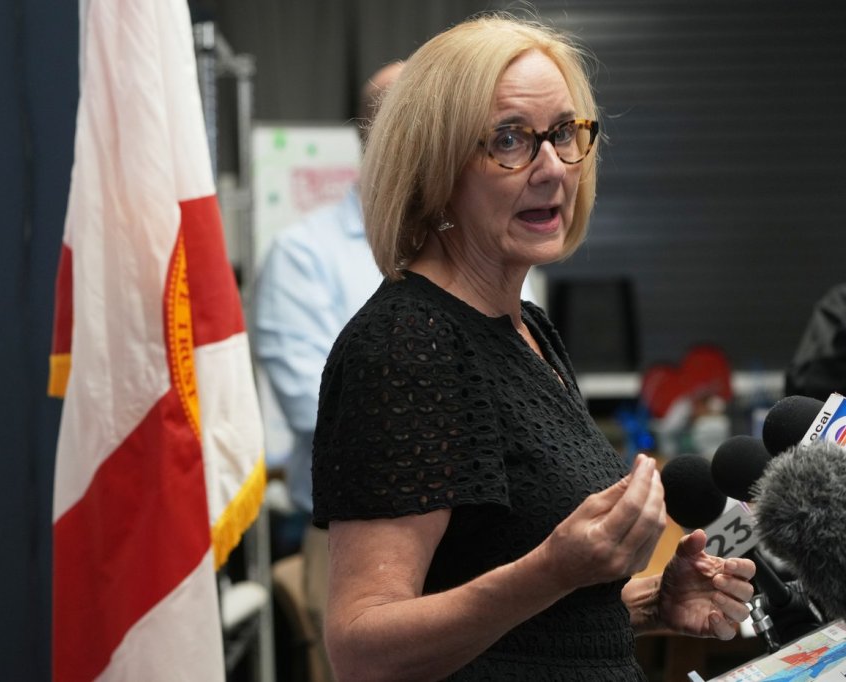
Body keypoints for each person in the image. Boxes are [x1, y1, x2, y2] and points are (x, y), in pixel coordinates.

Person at [311, 14, 757, 681]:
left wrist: (647, 604)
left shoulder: (526, 326)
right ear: (434, 167)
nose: (552, 168)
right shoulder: (408, 344)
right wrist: (552, 569)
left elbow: (520, 620)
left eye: (564, 133)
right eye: (509, 140)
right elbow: (361, 650)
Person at [253, 61, 403, 682]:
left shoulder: (482, 248)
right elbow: (327, 415)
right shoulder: (304, 255)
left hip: (481, 543)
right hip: (355, 542)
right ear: (380, 135)